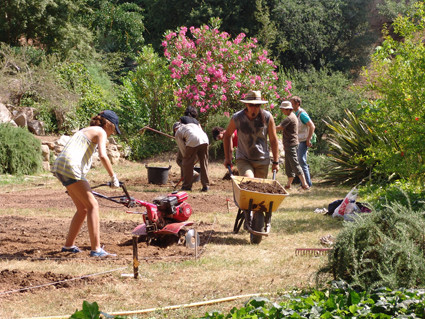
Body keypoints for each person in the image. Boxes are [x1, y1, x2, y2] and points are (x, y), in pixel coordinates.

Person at [51, 110, 121, 257]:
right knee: (93, 205)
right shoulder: (100, 131)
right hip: (70, 166)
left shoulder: (87, 130)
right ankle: (96, 250)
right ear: (108, 124)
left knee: (82, 208)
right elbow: (103, 155)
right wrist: (113, 176)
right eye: (114, 129)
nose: (113, 133)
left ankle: (68, 246)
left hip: (60, 166)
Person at [223, 90, 279, 178]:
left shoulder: (267, 117)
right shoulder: (237, 118)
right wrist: (227, 158)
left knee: (258, 188)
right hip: (244, 158)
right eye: (251, 105)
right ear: (246, 104)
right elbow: (227, 135)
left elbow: (273, 139)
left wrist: (276, 162)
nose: (254, 108)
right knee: (248, 180)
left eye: (257, 105)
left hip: (262, 160)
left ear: (260, 105)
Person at [276, 101, 309, 190]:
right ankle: (288, 185)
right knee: (289, 166)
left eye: (283, 109)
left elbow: (279, 128)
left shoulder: (289, 118)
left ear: (287, 109)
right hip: (290, 145)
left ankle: (305, 184)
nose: (282, 111)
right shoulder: (293, 116)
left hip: (291, 145)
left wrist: (268, 129)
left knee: (295, 165)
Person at [173, 122, 210, 192]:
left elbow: (183, 149)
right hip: (205, 140)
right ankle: (206, 186)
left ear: (175, 129)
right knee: (204, 163)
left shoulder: (178, 132)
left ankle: (187, 186)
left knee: (186, 163)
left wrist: (188, 160)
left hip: (193, 140)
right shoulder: (192, 125)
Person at [290, 96, 315, 187]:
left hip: (303, 141)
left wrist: (308, 139)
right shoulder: (295, 114)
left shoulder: (302, 114)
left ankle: (307, 184)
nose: (291, 105)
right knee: (298, 161)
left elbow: (312, 126)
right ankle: (301, 182)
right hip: (298, 141)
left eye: (292, 104)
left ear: (297, 104)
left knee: (301, 161)